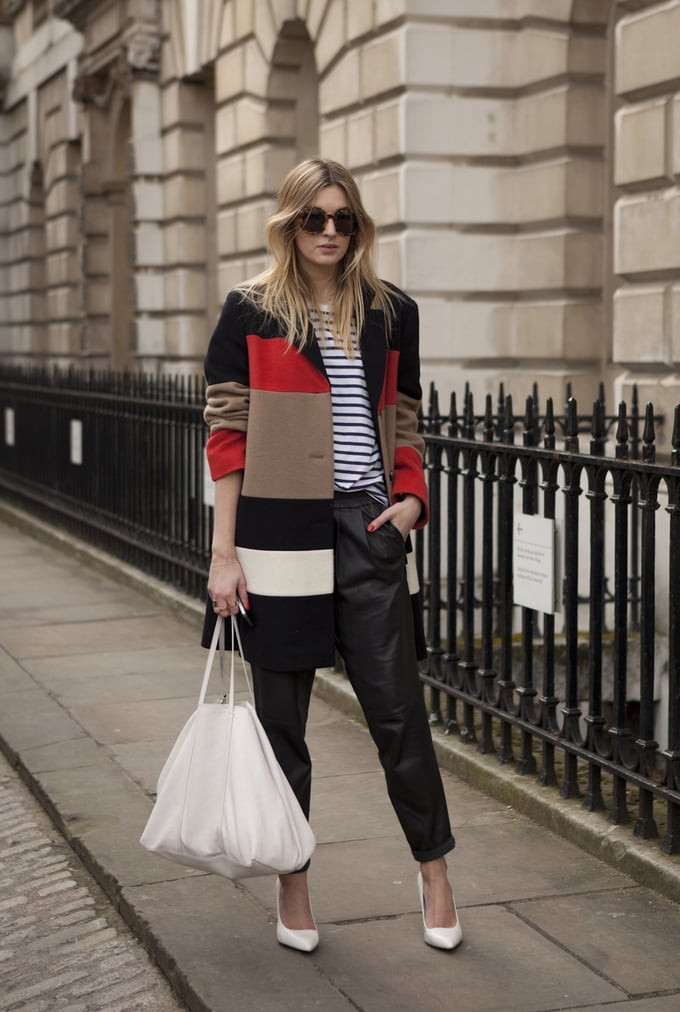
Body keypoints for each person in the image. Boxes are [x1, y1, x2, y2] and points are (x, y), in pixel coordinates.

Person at [202, 158, 461, 953]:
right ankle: (293, 879)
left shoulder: (390, 312)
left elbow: (406, 419)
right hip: (277, 537)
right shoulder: (250, 312)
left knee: (397, 715)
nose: (327, 232)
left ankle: (435, 871)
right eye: (313, 218)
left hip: (367, 527)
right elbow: (225, 433)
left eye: (342, 219)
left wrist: (411, 500)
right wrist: (223, 554)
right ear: (288, 223)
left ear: (357, 227)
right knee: (284, 723)